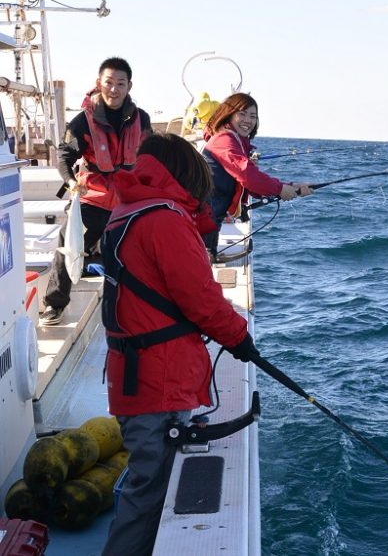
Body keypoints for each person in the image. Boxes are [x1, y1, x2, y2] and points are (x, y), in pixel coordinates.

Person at [100, 132, 258, 556]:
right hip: (157, 378)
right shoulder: (166, 219)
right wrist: (241, 340)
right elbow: (200, 298)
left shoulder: (129, 208)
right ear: (187, 173)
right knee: (147, 492)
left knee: (148, 485)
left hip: (136, 373)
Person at [40, 56, 152, 325]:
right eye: (109, 83)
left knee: (140, 251)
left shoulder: (141, 119)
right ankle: (54, 304)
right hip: (94, 197)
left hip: (129, 198)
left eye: (120, 84)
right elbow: (64, 156)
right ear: (98, 83)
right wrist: (70, 182)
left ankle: (142, 305)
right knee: (69, 245)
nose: (114, 89)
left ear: (129, 86)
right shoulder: (82, 121)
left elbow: (153, 156)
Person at [201, 92, 312, 258]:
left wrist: (291, 187)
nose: (248, 120)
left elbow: (250, 183)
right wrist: (280, 189)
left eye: (253, 116)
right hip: (201, 222)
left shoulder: (234, 140)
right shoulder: (224, 140)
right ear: (228, 115)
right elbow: (248, 176)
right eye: (242, 114)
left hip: (209, 221)